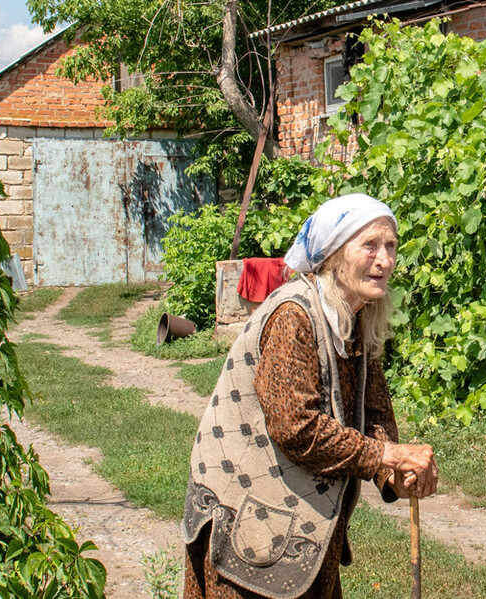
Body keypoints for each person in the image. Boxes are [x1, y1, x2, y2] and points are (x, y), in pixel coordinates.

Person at [182, 194, 438, 599]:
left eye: (390, 246)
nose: (385, 260)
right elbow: (297, 428)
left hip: (304, 522)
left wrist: (395, 474)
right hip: (250, 513)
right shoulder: (294, 316)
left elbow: (372, 411)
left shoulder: (356, 314)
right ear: (334, 255)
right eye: (370, 245)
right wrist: (386, 456)